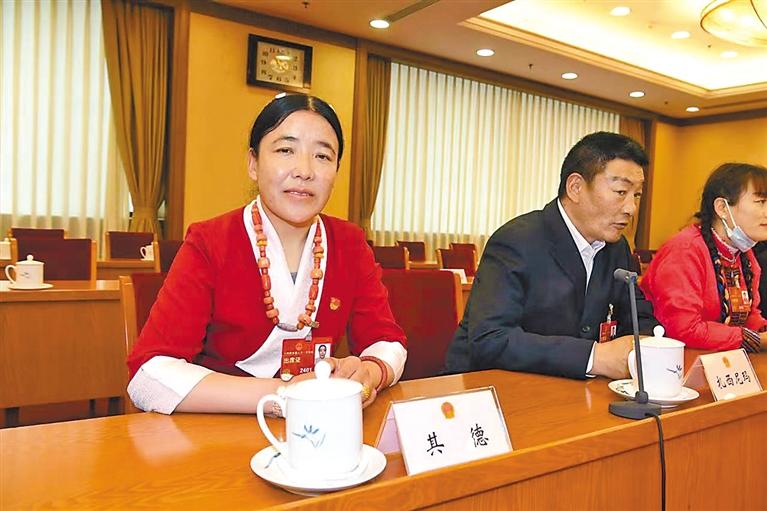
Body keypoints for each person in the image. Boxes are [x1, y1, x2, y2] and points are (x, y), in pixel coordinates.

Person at [127, 94, 407, 415]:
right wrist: (284, 395)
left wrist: (370, 372)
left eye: (322, 156)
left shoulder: (349, 243)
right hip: (216, 426)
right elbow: (149, 376)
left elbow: (387, 341)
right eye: (286, 150)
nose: (304, 170)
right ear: (253, 163)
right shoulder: (210, 241)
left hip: (318, 425)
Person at [445, 131, 658, 380]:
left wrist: (652, 345)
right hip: (492, 387)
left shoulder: (617, 248)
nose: (631, 208)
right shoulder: (516, 241)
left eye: (637, 195)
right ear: (575, 187)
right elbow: (490, 339)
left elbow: (638, 317)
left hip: (572, 389)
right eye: (621, 191)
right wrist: (593, 357)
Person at [640, 163, 767, 353]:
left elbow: (750, 317)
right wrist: (755, 339)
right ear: (722, 208)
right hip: (672, 360)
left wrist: (761, 331)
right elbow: (684, 329)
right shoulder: (685, 250)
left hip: (718, 360)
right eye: (761, 202)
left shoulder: (743, 254)